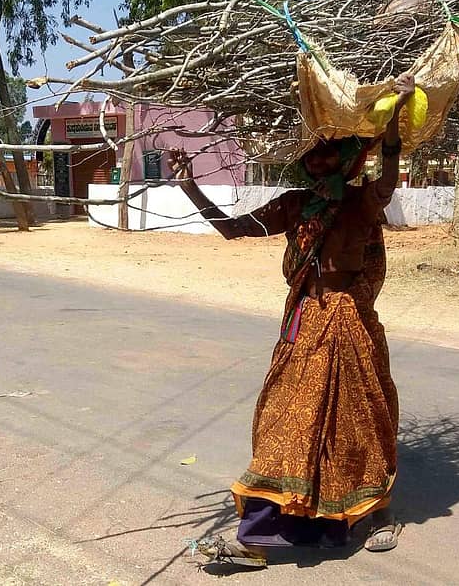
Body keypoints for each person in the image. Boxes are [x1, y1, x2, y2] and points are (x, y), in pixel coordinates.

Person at [170, 73, 416, 567]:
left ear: (350, 160)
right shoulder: (294, 204)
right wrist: (189, 186)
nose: (318, 162)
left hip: (347, 321)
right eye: (312, 155)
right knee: (285, 421)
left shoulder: (360, 201)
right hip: (303, 320)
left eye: (329, 154)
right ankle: (266, 532)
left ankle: (373, 512)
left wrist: (393, 123)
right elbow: (234, 229)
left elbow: (388, 181)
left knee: (361, 420)